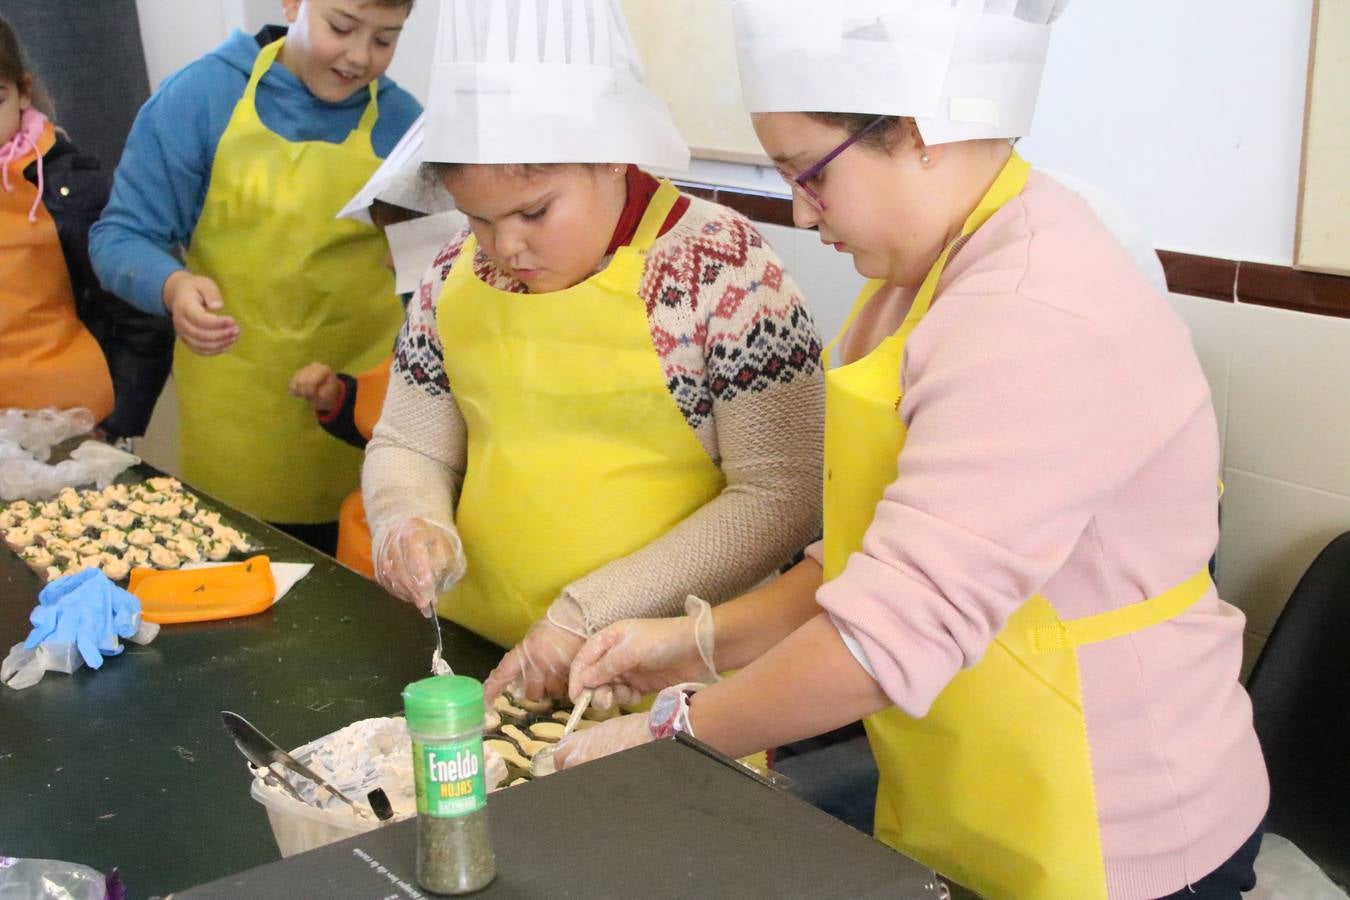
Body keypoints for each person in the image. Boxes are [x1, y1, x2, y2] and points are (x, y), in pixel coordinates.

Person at [556, 3, 1269, 898]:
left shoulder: (1032, 309)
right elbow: (874, 554)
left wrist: (676, 730)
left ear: (916, 130)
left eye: (810, 175)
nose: (802, 212)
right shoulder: (925, 272)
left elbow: (887, 633)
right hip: (978, 783)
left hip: (1115, 816)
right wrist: (699, 641)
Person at [362, 0, 825, 701]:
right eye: (478, 217)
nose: (506, 247)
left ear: (612, 153)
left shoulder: (721, 268)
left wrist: (584, 616)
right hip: (475, 663)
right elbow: (409, 442)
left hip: (662, 679)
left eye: (534, 211)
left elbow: (784, 495)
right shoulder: (456, 270)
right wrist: (408, 518)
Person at [90, 0, 421, 553]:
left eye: (385, 39)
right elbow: (119, 236)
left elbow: (430, 280)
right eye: (341, 27)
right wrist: (172, 285)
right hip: (235, 428)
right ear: (292, 4)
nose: (360, 56)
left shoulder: (403, 125)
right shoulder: (201, 98)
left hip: (361, 424)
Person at [0, 15, 172, 436]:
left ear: (23, 92)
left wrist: (114, 420)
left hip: (66, 421)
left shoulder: (72, 187)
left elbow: (140, 309)